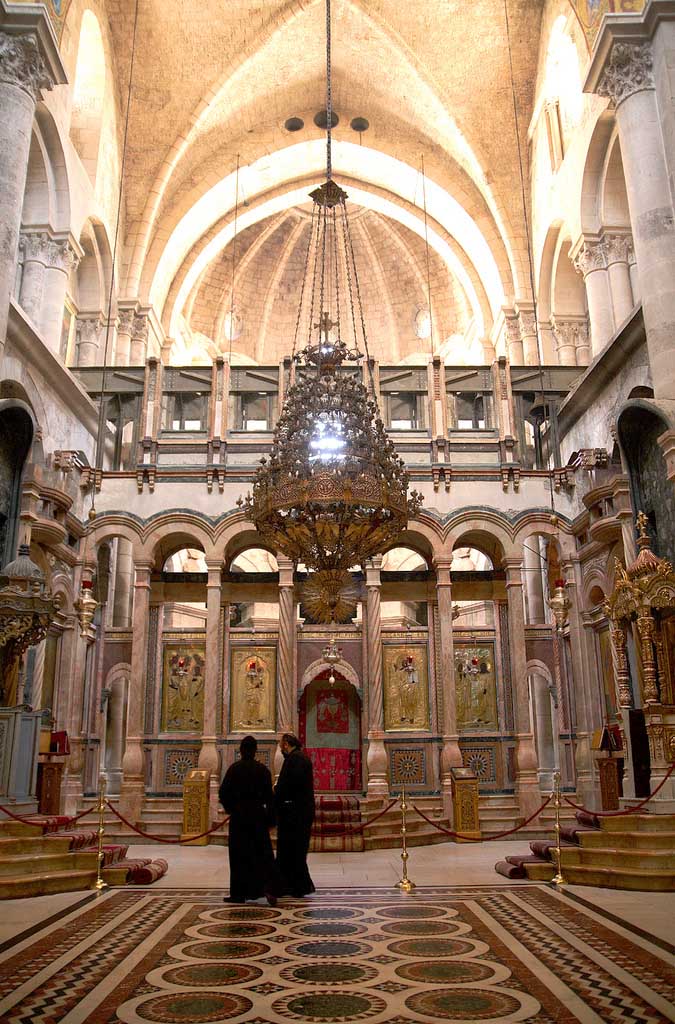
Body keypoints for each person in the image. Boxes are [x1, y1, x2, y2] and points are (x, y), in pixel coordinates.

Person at [219, 735, 279, 905]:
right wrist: (270, 820)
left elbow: (223, 793)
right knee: (262, 855)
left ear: (241, 750)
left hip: (239, 818)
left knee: (239, 856)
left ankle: (239, 894)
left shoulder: (234, 769)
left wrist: (232, 809)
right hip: (258, 817)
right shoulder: (263, 771)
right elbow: (270, 798)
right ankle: (265, 889)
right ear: (255, 751)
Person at [275, 732, 316, 897]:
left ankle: (297, 886)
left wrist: (277, 791)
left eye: (280, 745)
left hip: (296, 813)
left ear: (286, 744)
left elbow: (291, 785)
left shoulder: (295, 759)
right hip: (298, 811)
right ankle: (294, 884)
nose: (280, 748)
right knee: (295, 850)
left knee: (293, 850)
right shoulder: (298, 758)